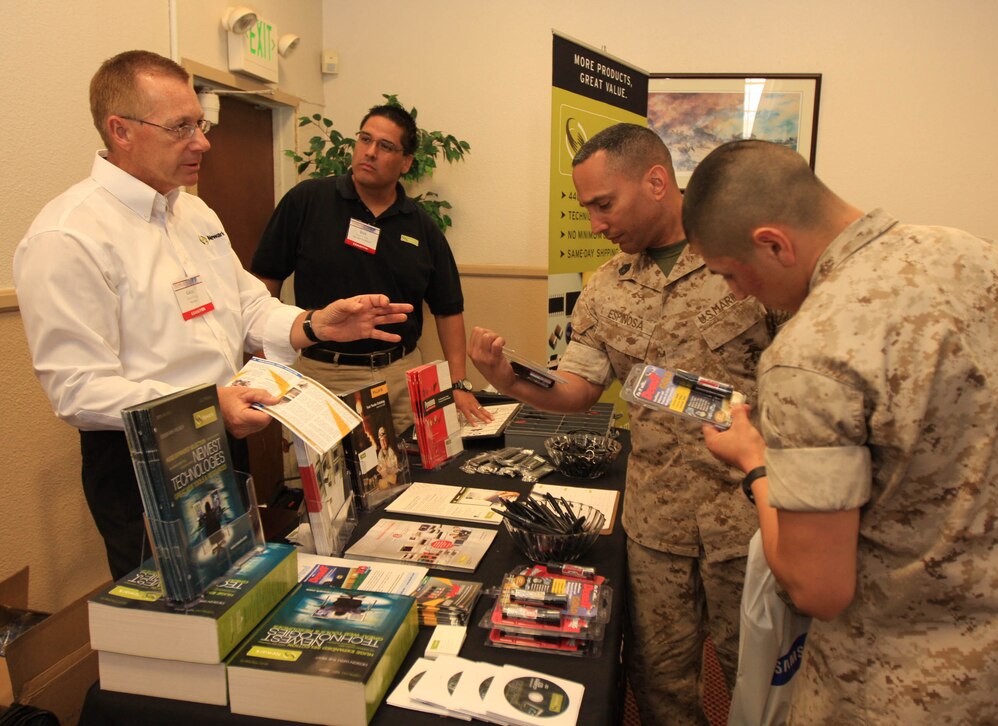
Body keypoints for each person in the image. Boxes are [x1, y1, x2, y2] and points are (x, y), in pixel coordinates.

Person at [683, 139, 998, 724]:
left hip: (906, 685)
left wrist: (754, 462)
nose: (736, 294)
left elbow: (816, 587)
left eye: (731, 274)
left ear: (774, 243)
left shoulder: (812, 353)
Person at [13, 50, 413, 580]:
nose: (202, 142)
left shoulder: (192, 210)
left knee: (235, 591)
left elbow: (246, 306)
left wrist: (311, 325)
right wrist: (208, 405)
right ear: (120, 131)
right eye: (181, 127)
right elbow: (78, 388)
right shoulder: (69, 235)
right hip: (147, 460)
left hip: (224, 439)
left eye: (199, 124)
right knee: (176, 620)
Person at [469, 123, 786, 724]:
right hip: (655, 524)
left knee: (763, 674)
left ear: (657, 182)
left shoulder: (743, 261)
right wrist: (510, 379)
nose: (595, 224)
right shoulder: (606, 287)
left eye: (603, 204)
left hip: (748, 521)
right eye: (586, 208)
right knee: (659, 681)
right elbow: (579, 389)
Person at [251, 103, 490, 435]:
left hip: (401, 377)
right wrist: (267, 363)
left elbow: (449, 308)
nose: (371, 152)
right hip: (325, 374)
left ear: (406, 162)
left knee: (409, 477)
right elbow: (266, 280)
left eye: (386, 146)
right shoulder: (307, 201)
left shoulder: (421, 225)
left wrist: (459, 382)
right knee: (331, 484)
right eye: (365, 139)